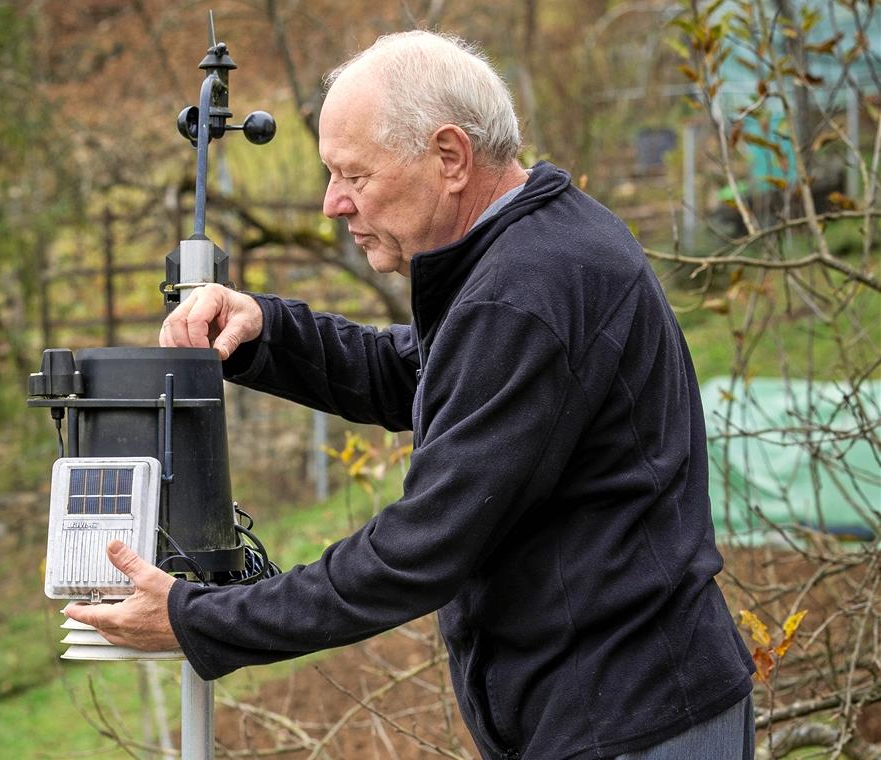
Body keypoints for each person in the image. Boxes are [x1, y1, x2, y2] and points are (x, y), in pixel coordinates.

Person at [65, 30, 756, 760]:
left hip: (629, 722)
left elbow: (415, 552)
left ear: (450, 157)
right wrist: (268, 331)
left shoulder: (527, 291)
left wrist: (198, 619)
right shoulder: (535, 248)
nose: (332, 203)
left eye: (353, 176)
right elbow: (430, 376)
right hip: (617, 709)